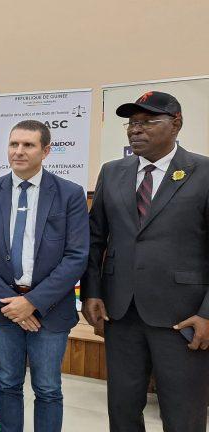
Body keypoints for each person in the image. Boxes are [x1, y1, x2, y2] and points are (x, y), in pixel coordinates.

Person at [81, 91, 209, 432]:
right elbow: (95, 239)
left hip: (183, 318)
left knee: (183, 415)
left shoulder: (204, 172)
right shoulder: (112, 173)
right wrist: (91, 293)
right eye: (132, 124)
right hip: (121, 314)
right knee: (122, 410)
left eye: (148, 122)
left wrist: (208, 313)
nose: (136, 131)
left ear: (177, 123)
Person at [0, 120, 89, 432]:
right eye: (14, 144)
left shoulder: (69, 194)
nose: (18, 151)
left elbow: (76, 256)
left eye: (28, 145)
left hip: (50, 311)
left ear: (46, 151)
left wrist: (33, 303)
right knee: (8, 384)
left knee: (48, 389)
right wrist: (14, 305)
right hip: (4, 310)